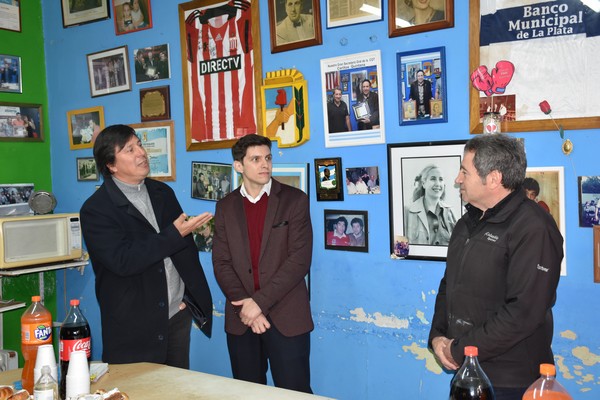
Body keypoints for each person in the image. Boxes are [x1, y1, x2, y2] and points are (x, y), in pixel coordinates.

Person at [429, 134, 564, 400]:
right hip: (466, 372)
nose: (457, 179)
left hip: (511, 382)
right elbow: (449, 286)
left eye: (464, 172)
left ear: (493, 179)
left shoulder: (534, 227)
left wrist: (458, 350)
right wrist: (437, 337)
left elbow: (523, 312)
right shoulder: (465, 223)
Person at [80, 124, 214, 367]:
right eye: (129, 150)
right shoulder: (96, 209)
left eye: (139, 144)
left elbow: (185, 251)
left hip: (176, 315)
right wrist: (174, 235)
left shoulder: (162, 191)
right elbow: (123, 261)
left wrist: (187, 301)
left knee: (175, 391)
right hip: (133, 326)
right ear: (111, 165)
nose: (141, 153)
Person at [212, 134, 313, 393]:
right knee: (247, 394)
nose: (264, 164)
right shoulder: (225, 207)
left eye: (267, 158)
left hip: (286, 316)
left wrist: (258, 303)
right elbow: (221, 263)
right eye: (255, 159)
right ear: (239, 166)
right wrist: (247, 307)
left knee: (295, 393)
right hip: (242, 319)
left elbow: (299, 261)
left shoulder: (294, 200)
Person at [405, 164, 456, 245]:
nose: (438, 184)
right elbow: (399, 250)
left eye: (441, 179)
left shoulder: (450, 212)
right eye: (433, 179)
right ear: (423, 183)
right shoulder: (407, 211)